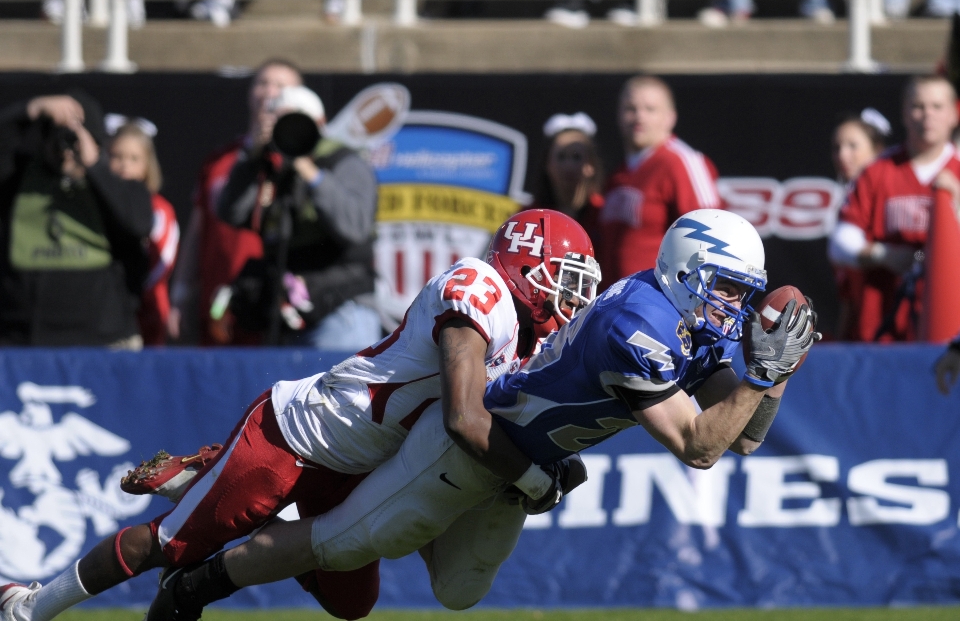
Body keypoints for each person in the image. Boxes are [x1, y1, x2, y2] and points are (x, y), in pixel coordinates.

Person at [136, 209, 820, 620]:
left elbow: (745, 440)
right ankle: (200, 583)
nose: (734, 304)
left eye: (744, 293)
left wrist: (775, 375)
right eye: (729, 287)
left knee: (459, 591)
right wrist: (761, 373)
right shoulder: (635, 323)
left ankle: (374, 506)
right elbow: (700, 445)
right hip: (473, 446)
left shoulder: (696, 321)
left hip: (530, 462)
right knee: (340, 543)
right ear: (688, 269)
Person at [0, 209, 601, 621]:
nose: (570, 300)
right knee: (169, 546)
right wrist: (528, 475)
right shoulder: (481, 291)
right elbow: (465, 421)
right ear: (525, 262)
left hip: (359, 465)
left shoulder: (523, 337)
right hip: (296, 436)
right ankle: (30, 604)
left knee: (352, 604)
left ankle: (222, 483)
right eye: (564, 281)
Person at [216, 84, 381, 350]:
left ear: (319, 123)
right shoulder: (270, 167)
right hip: (287, 314)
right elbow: (230, 213)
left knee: (338, 391)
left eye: (294, 121)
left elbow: (356, 227)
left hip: (341, 311)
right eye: (279, 122)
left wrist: (309, 170)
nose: (287, 129)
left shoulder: (341, 161)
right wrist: (250, 156)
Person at [0, 92, 152, 348]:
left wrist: (95, 166)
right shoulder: (19, 178)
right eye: (57, 140)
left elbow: (138, 223)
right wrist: (30, 110)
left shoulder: (118, 186)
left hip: (100, 340)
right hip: (23, 337)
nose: (68, 152)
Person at [168, 59, 301, 346]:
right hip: (220, 305)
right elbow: (198, 229)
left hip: (278, 308)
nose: (269, 91)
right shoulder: (220, 160)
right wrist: (181, 292)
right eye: (262, 83)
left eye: (280, 85)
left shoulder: (303, 164)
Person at [828, 75, 960, 342]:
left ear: (954, 113)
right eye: (918, 106)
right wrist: (884, 254)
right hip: (883, 327)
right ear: (904, 113)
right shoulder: (878, 171)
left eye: (936, 106)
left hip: (949, 331)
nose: (927, 115)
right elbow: (840, 243)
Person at [598, 74, 722, 286]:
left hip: (657, 302)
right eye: (630, 109)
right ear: (619, 115)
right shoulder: (619, 174)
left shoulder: (682, 162)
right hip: (614, 302)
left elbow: (712, 237)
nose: (639, 117)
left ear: (670, 117)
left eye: (650, 109)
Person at [107, 119, 180, 346]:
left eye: (134, 159)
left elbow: (163, 259)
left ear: (148, 164)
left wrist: (135, 291)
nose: (124, 165)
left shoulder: (159, 209)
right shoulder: (97, 205)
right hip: (107, 310)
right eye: (116, 156)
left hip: (147, 311)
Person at [827, 108, 890, 341]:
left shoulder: (888, 201)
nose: (843, 155)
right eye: (837, 147)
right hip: (860, 336)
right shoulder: (846, 203)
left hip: (891, 332)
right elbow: (848, 297)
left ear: (878, 151)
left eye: (853, 146)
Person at [533, 112, 606, 249]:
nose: (569, 166)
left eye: (576, 157)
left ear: (591, 166)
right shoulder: (530, 217)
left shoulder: (605, 215)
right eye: (561, 157)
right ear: (547, 164)